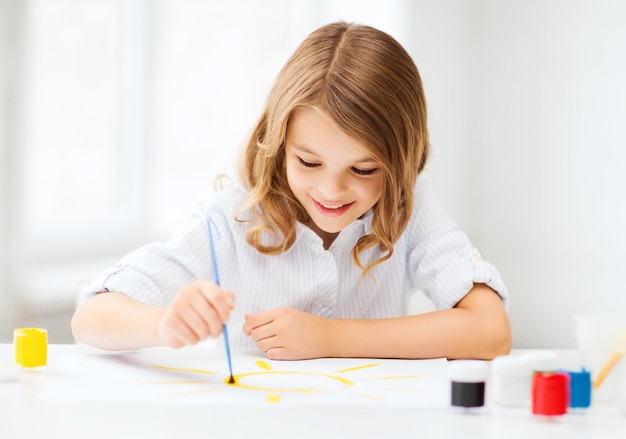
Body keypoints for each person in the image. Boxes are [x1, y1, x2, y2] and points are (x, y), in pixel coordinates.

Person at [71, 21, 511, 360]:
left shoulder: (407, 207)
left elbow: (491, 331)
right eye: (308, 162)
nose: (331, 190)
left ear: (399, 164)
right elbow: (90, 318)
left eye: (362, 169)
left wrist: (328, 338)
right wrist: (163, 324)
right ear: (278, 144)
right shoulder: (229, 221)